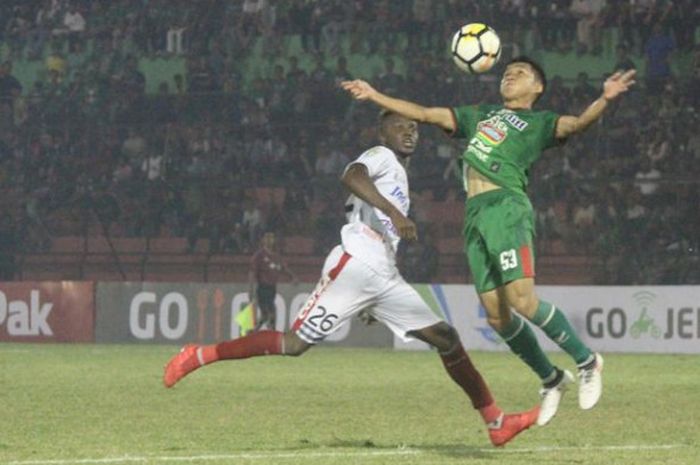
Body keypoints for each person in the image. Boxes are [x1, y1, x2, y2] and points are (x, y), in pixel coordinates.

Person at [164, 111, 539, 447]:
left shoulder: (397, 170)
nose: (409, 132)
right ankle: (198, 355)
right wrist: (393, 211)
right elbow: (351, 175)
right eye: (399, 127)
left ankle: (496, 422)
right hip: (356, 262)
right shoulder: (381, 156)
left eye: (413, 128)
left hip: (383, 274)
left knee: (446, 338)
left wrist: (374, 298)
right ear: (382, 133)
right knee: (295, 344)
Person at [342, 57, 636, 426]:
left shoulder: (538, 123)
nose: (510, 76)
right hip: (475, 214)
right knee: (498, 317)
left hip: (505, 208)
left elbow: (577, 124)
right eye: (507, 72)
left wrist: (605, 98)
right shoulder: (481, 115)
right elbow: (425, 113)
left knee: (523, 301)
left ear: (538, 88)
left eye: (520, 73)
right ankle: (551, 378)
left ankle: (587, 359)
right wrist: (374, 95)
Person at [249, 230, 298, 331]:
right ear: (263, 240)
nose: (269, 240)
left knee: (265, 316)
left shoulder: (276, 256)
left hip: (272, 289)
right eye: (267, 237)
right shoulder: (259, 255)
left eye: (271, 237)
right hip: (262, 288)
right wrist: (250, 289)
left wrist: (293, 277)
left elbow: (283, 268)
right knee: (270, 313)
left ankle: (253, 333)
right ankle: (271, 335)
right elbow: (252, 272)